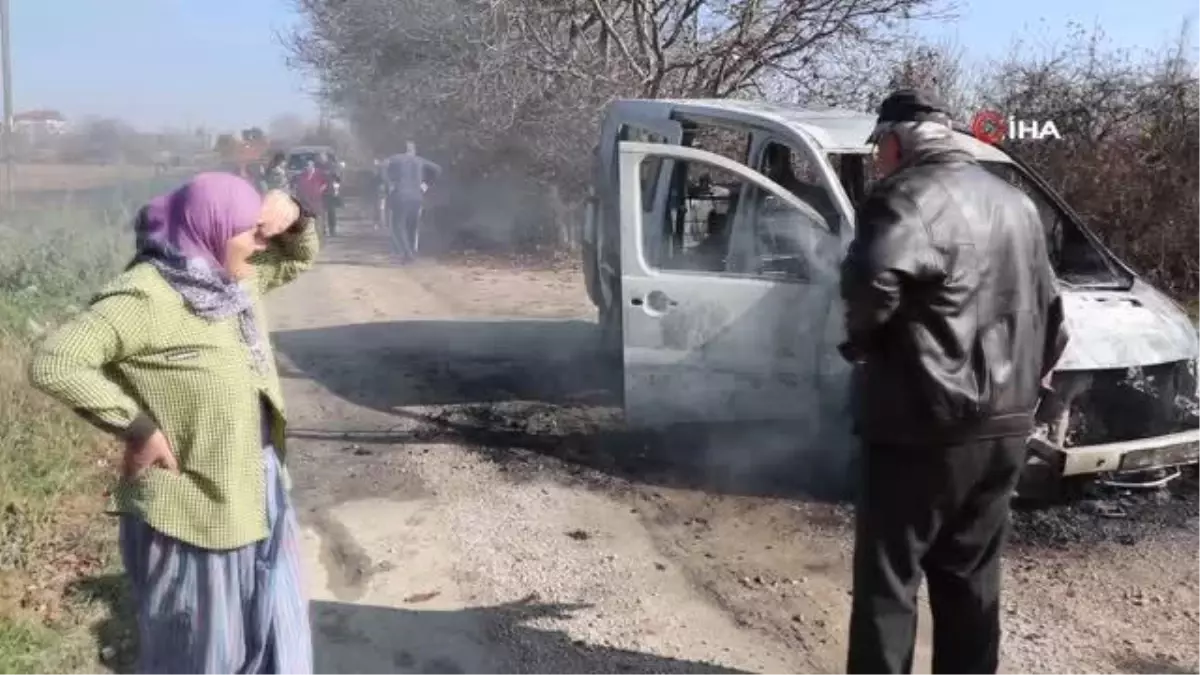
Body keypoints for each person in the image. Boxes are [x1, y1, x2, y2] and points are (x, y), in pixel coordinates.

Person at [28, 173, 319, 674]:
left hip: (255, 486)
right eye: (250, 231)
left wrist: (291, 211)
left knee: (272, 635)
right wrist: (137, 427)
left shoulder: (233, 282)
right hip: (194, 510)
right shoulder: (149, 296)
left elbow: (299, 255)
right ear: (208, 228)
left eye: (261, 233)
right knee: (203, 654)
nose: (261, 243)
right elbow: (57, 361)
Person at [839, 89, 1069, 675]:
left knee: (889, 582)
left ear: (897, 141)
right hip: (1006, 428)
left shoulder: (902, 196)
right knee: (971, 580)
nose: (877, 161)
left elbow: (870, 279)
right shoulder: (1016, 203)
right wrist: (1028, 392)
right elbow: (1054, 313)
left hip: (921, 423)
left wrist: (863, 343)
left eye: (879, 148)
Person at [381, 141, 441, 260]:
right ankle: (411, 251)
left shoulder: (395, 158)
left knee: (398, 225)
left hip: (401, 195)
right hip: (417, 197)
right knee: (412, 225)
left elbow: (383, 166)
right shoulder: (420, 160)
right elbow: (437, 169)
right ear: (413, 150)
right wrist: (426, 185)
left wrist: (389, 184)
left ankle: (407, 253)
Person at [294, 159, 330, 235]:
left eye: (309, 165)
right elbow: (299, 185)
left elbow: (325, 183)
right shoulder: (303, 174)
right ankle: (309, 230)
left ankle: (322, 229)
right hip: (306, 198)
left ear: (312, 166)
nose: (307, 167)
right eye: (306, 166)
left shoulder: (319, 173)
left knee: (318, 214)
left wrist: (320, 190)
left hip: (317, 198)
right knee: (307, 215)